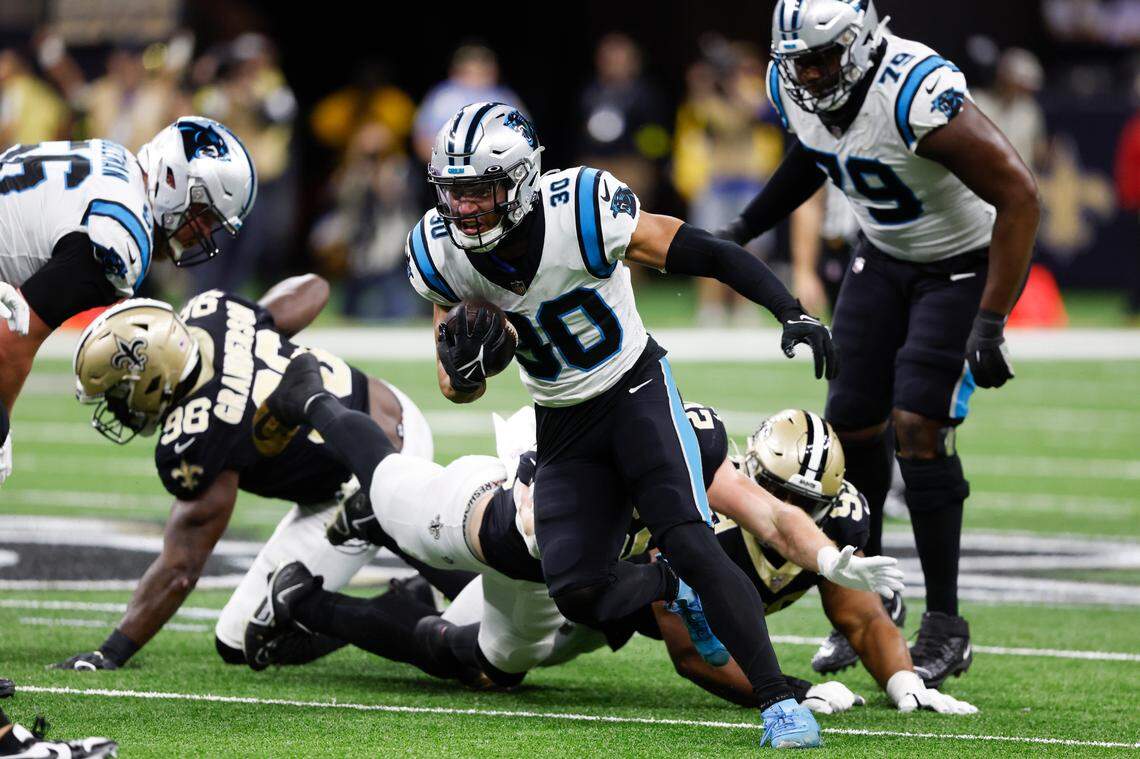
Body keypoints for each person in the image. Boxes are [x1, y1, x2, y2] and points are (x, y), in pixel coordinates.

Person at [403, 101, 838, 748]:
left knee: (688, 534)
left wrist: (789, 307)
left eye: (480, 191)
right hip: (561, 420)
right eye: (454, 193)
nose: (464, 209)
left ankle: (777, 700)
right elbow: (455, 385)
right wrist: (469, 366)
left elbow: (704, 251)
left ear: (520, 181)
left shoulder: (581, 207)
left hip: (635, 388)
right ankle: (669, 585)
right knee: (577, 588)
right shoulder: (440, 252)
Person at [717, 0, 1040, 686]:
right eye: (796, 61)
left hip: (962, 262)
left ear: (861, 45)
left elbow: (1019, 195)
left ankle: (947, 626)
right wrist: (743, 230)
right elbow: (814, 152)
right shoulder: (793, 85)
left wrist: (990, 319)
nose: (808, 74)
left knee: (919, 426)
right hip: (883, 256)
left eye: (823, 57)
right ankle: (875, 598)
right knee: (852, 424)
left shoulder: (913, 91)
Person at [53, 277, 473, 671]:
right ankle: (412, 570)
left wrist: (111, 651)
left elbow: (181, 569)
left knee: (242, 638)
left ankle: (395, 572)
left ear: (150, 376)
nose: (117, 407)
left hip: (362, 477)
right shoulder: (212, 312)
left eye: (116, 393)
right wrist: (257, 324)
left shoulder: (195, 437)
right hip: (390, 409)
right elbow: (316, 287)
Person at [0, 115, 256, 487]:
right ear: (173, 180)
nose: (203, 231)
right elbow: (10, 340)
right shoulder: (120, 237)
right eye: (202, 215)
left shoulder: (116, 160)